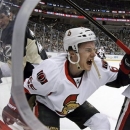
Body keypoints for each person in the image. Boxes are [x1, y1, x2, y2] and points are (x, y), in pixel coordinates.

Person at [2, 27, 130, 130]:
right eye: (88, 50)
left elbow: (120, 80)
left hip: (72, 104)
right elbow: (25, 88)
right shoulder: (50, 71)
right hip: (48, 104)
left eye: (94, 49)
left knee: (101, 123)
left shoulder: (98, 66)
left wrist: (127, 63)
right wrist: (11, 108)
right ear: (72, 54)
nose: (94, 54)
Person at [0, 3, 48, 83]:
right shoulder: (13, 27)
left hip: (35, 69)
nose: (0, 21)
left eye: (2, 17)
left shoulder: (12, 30)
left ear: (10, 16)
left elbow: (16, 64)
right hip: (39, 65)